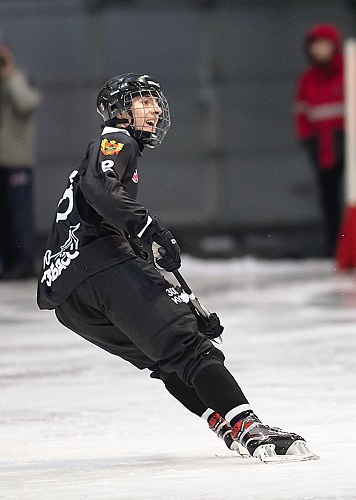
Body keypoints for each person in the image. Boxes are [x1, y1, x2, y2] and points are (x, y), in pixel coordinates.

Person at [36, 73, 315, 462]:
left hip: (69, 297)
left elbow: (101, 215)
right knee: (189, 349)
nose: (154, 109)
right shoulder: (117, 139)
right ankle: (249, 427)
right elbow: (102, 191)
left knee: (166, 360)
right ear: (119, 109)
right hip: (99, 267)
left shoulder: (110, 148)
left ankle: (225, 423)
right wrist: (148, 226)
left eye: (155, 101)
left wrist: (185, 303)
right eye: (143, 101)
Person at [294, 23, 356, 256]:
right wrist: (310, 141)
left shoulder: (354, 70)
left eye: (324, 45)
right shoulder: (308, 80)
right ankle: (335, 248)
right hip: (325, 148)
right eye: (315, 46)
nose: (319, 50)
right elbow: (302, 114)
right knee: (329, 201)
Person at [0, 42, 41, 280]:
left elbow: (27, 103)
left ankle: (23, 263)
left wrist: (9, 74)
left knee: (19, 216)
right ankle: (7, 263)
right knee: (4, 217)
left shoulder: (18, 79)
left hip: (16, 160)